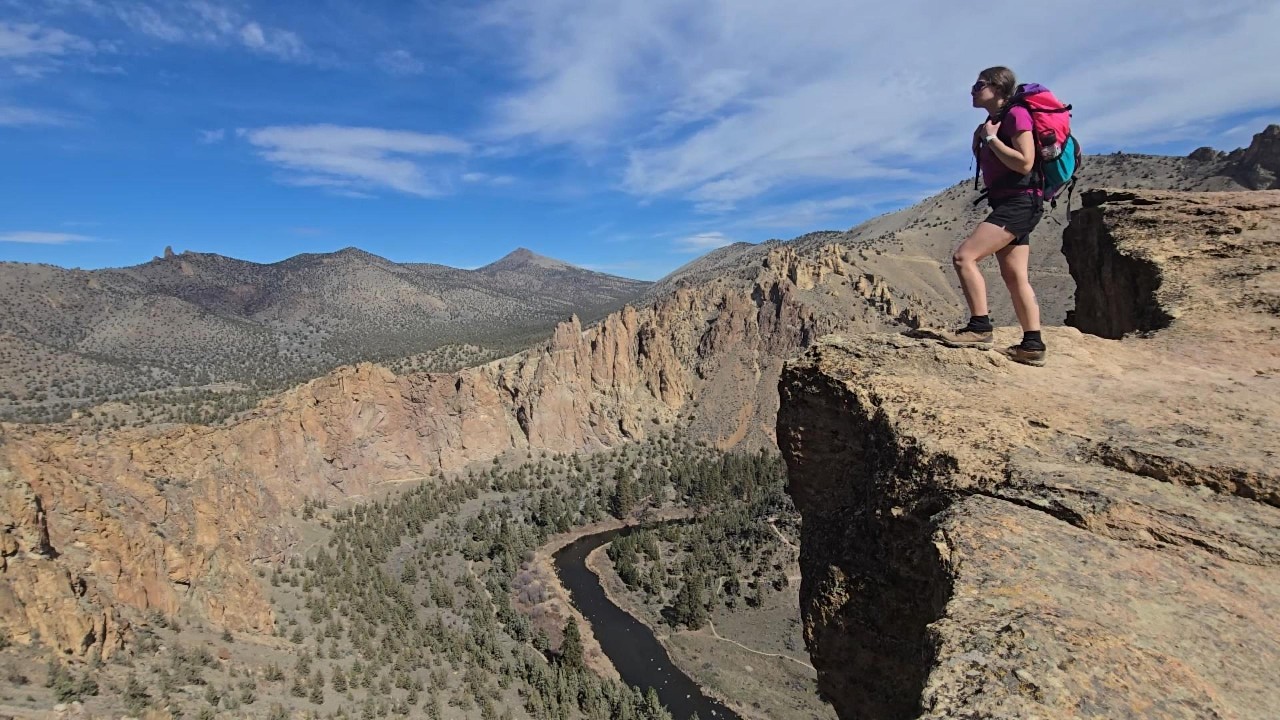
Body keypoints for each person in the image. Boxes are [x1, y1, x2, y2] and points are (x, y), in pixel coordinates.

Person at [938, 66, 1046, 366]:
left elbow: (1025, 163)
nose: (973, 90)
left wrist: (991, 141)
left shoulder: (1016, 115)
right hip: (1012, 202)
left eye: (979, 85)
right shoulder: (994, 121)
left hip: (1019, 202)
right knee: (1014, 276)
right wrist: (983, 139)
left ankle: (980, 327)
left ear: (998, 88)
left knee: (964, 257)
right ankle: (1032, 345)